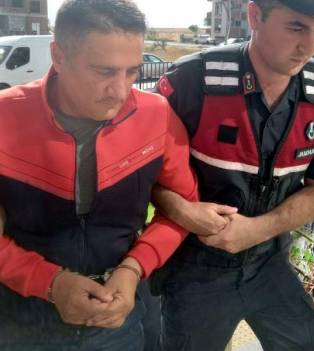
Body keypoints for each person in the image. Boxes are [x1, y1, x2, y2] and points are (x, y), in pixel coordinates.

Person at [0, 1, 203, 349]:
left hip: (123, 311)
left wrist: (134, 268)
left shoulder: (156, 115)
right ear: (59, 56)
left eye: (132, 72)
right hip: (19, 317)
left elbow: (185, 208)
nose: (121, 91)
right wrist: (50, 282)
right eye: (104, 72)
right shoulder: (5, 117)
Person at [151, 0, 314, 349]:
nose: (309, 47)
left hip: (269, 262)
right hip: (195, 267)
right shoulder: (192, 82)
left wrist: (256, 230)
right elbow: (140, 172)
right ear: (256, 16)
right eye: (297, 27)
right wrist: (181, 210)